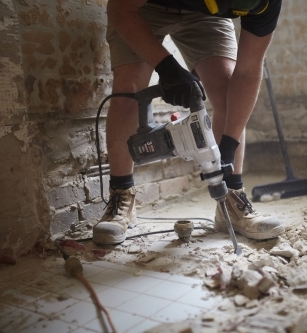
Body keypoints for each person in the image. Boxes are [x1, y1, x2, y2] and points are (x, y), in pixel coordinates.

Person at [93, 0, 285, 245]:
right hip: (142, 7)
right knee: (129, 91)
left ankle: (231, 197)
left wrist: (228, 144)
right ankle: (121, 196)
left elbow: (247, 71)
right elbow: (120, 9)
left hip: (208, 16)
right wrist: (167, 68)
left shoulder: (267, 3)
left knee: (228, 90)